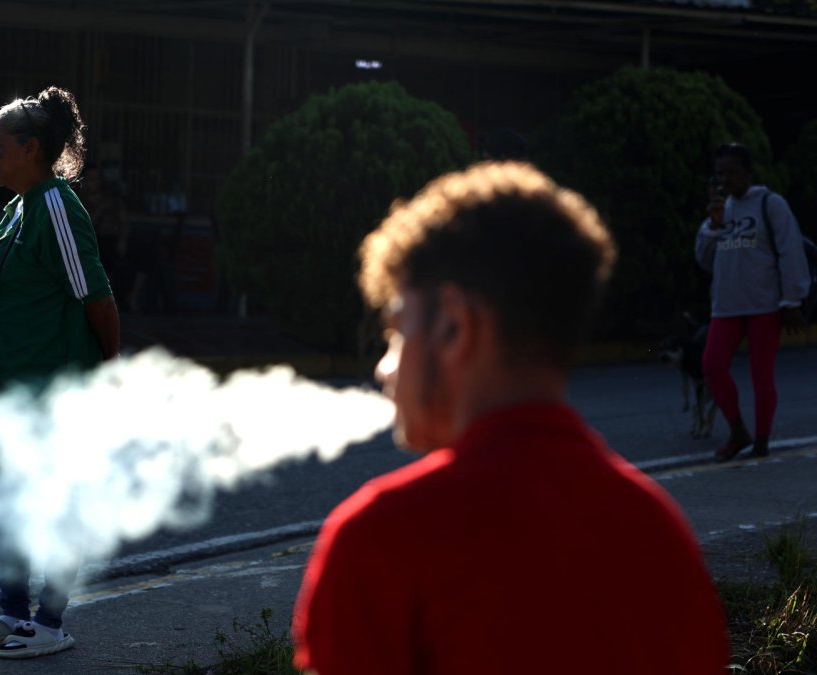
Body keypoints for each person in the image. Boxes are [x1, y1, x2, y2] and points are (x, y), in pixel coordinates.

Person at [292, 162, 728, 675]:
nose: (383, 369)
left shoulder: (380, 540)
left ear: (455, 326)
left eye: (396, 333)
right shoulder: (661, 535)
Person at [0, 86, 120, 660]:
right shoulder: (16, 210)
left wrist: (109, 371)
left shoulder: (55, 205)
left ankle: (49, 622)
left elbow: (96, 298)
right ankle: (12, 612)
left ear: (30, 148)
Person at [696, 142, 810, 462]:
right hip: (727, 305)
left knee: (762, 375)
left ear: (749, 172)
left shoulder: (770, 204)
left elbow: (790, 251)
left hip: (764, 304)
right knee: (711, 365)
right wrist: (713, 226)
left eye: (732, 172)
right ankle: (737, 431)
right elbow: (703, 260)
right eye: (720, 174)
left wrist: (792, 300)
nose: (725, 180)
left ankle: (761, 439)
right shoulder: (721, 210)